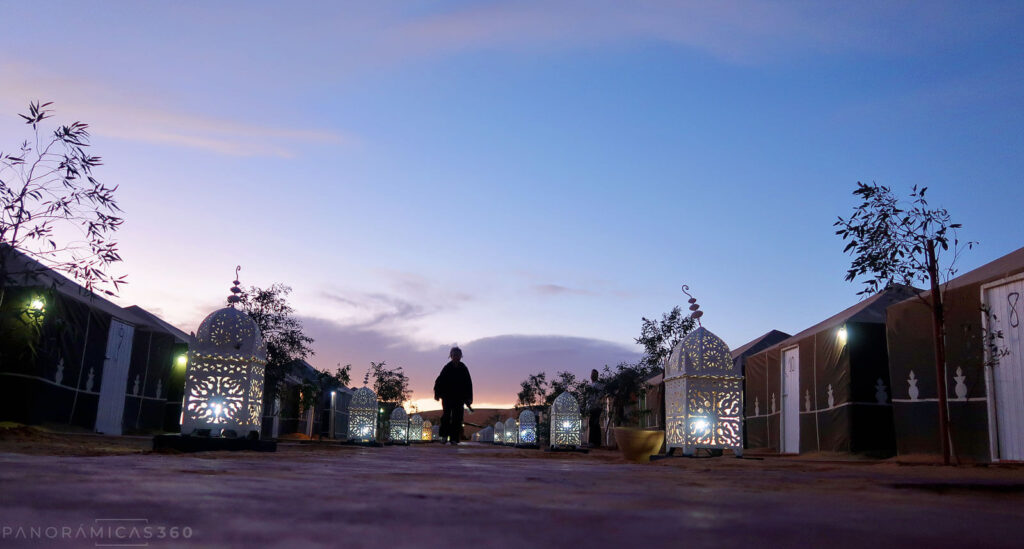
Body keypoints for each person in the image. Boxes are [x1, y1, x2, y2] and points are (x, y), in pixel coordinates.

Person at [433, 347, 473, 445]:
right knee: (446, 416)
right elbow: (439, 381)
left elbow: (468, 384)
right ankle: (444, 436)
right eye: (454, 355)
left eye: (458, 355)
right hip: (447, 397)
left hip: (459, 398)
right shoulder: (447, 367)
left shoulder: (463, 368)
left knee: (457, 418)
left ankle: (454, 438)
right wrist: (437, 393)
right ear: (451, 356)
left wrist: (468, 399)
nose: (456, 357)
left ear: (461, 356)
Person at [587, 369, 605, 448]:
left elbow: (601, 395)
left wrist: (597, 402)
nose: (592, 376)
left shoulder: (599, 385)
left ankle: (594, 442)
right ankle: (595, 442)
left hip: (597, 407)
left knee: (594, 423)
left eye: (593, 374)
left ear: (596, 376)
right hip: (592, 407)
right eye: (591, 374)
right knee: (593, 424)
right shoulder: (591, 386)